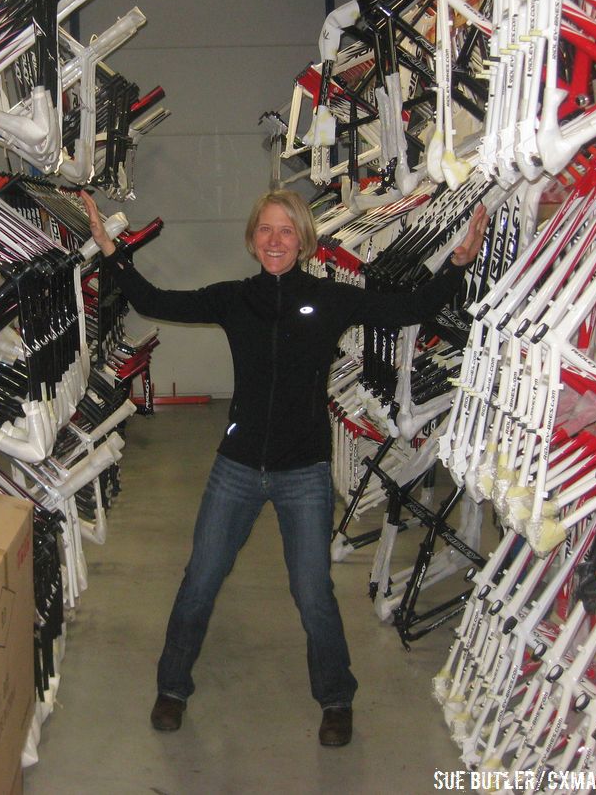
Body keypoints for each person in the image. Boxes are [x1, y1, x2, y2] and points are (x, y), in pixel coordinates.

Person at [79, 188, 488, 746]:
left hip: (304, 472)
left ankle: (337, 698)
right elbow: (153, 300)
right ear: (252, 240)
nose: (275, 240)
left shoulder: (330, 299)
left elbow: (409, 309)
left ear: (303, 241)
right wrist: (110, 250)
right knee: (200, 580)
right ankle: (172, 687)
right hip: (238, 467)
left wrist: (457, 267)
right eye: (266, 230)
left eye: (286, 231)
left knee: (313, 590)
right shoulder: (233, 298)